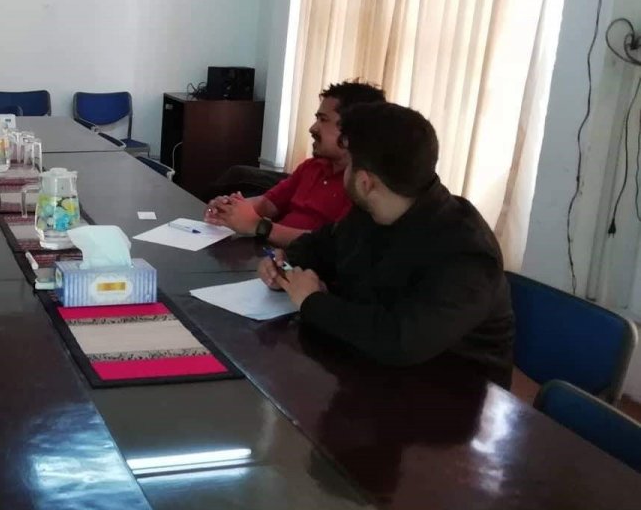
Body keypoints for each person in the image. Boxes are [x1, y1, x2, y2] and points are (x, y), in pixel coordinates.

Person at [259, 102, 514, 387]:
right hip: (369, 376)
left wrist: (312, 301)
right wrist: (284, 264)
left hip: (449, 402)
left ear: (366, 181)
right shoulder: (371, 212)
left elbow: (401, 340)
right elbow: (320, 246)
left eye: (349, 163)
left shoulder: (467, 252)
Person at [204, 80, 386, 247]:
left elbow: (332, 244)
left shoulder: (361, 186)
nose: (313, 128)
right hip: (270, 257)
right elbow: (267, 204)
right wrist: (230, 208)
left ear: (352, 130)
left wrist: (259, 227)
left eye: (323, 120)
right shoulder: (311, 167)